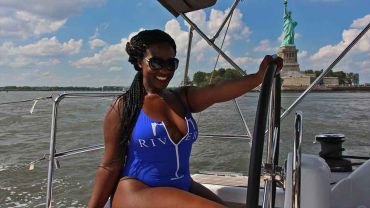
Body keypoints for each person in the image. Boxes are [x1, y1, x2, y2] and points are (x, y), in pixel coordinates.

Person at [88, 29, 283, 208]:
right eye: (156, 62)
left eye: (171, 63)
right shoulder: (124, 106)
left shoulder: (182, 98)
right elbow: (109, 165)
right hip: (138, 192)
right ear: (140, 62)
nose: (165, 70)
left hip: (182, 185)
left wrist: (259, 77)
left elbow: (216, 91)